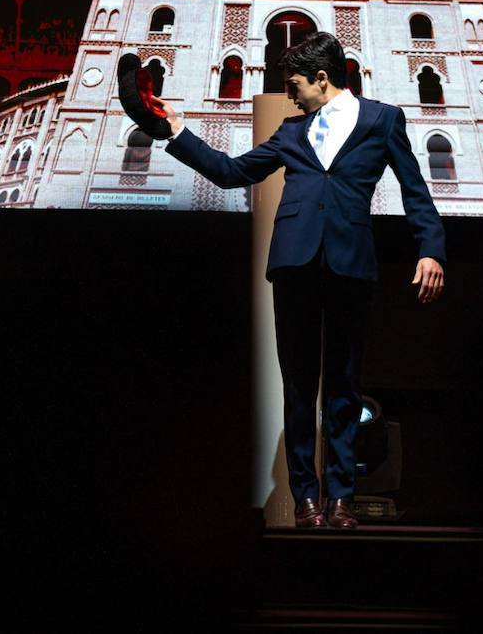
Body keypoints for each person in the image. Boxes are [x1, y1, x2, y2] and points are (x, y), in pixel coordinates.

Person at [154, 32, 445, 530]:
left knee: (344, 385)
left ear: (323, 78)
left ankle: (341, 499)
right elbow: (230, 172)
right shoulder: (290, 131)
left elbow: (415, 189)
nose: (289, 94)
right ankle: (305, 498)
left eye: (294, 85)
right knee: (298, 385)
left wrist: (431, 249)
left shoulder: (382, 119)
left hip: (352, 261)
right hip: (294, 262)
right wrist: (178, 131)